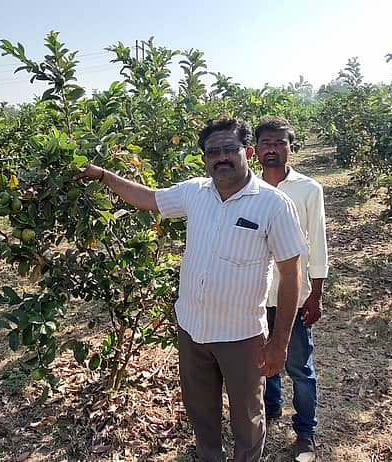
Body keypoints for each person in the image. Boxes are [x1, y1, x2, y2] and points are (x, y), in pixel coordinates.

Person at [74, 116, 307, 462]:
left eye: (229, 148)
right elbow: (148, 198)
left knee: (248, 417)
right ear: (204, 158)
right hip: (192, 330)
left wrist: (279, 342)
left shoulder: (273, 204)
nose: (221, 157)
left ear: (247, 152)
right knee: (200, 411)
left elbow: (290, 274)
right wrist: (104, 176)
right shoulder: (195, 192)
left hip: (241, 335)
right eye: (213, 151)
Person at [256, 116, 328, 460]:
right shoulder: (247, 188)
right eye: (266, 143)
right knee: (262, 359)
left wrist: (315, 293)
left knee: (299, 366)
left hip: (294, 295)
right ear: (254, 150)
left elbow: (318, 243)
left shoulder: (308, 189)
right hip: (256, 293)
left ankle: (305, 432)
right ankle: (271, 408)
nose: (272, 149)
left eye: (279, 143)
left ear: (291, 148)